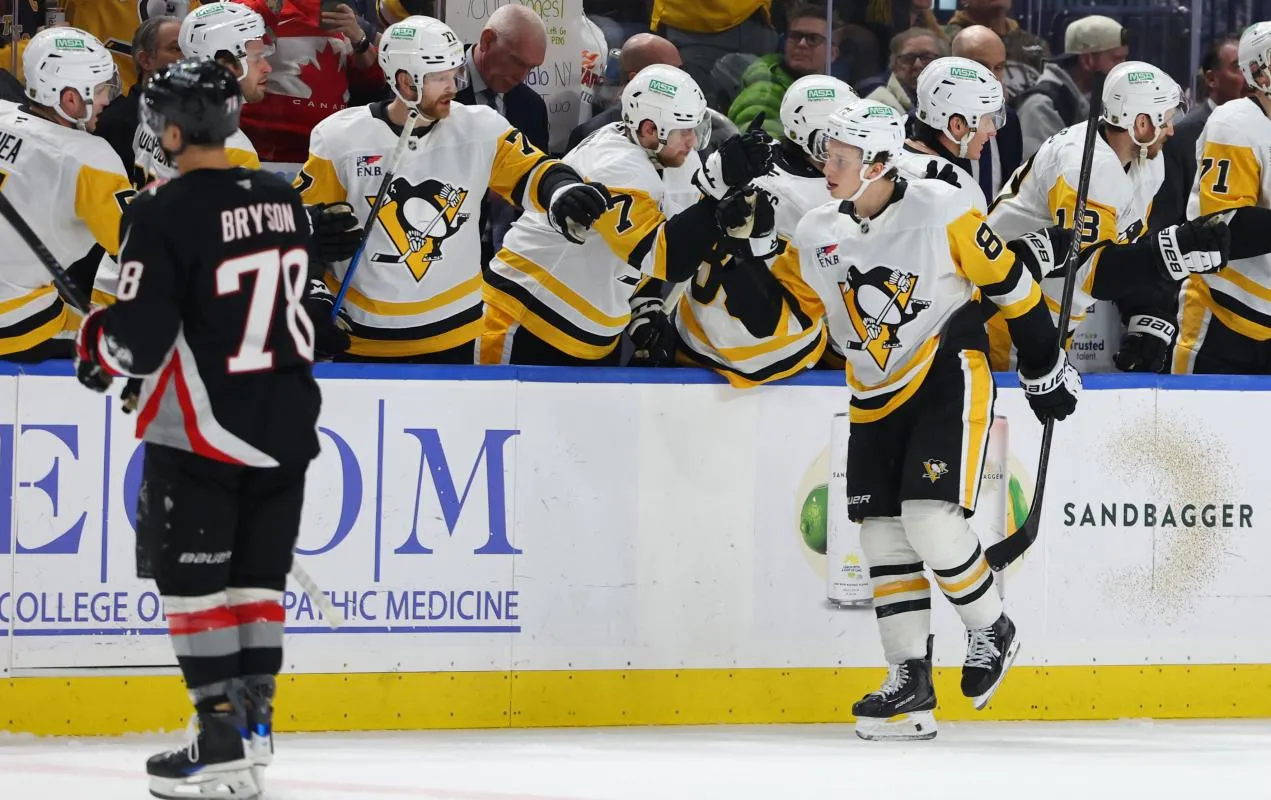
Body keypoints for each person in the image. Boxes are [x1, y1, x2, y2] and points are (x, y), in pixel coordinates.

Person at [70, 57, 342, 800]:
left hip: (206, 428)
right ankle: (250, 734)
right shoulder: (283, 198)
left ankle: (216, 732)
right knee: (255, 583)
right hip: (287, 424)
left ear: (173, 128)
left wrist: (96, 341)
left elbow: (138, 345)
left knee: (193, 588)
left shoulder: (161, 210)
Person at [766, 100, 1077, 740]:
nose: (829, 167)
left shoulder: (943, 210)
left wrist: (1042, 364)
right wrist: (744, 246)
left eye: (842, 159)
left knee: (929, 519)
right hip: (871, 392)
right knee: (881, 534)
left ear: (879, 163)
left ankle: (992, 627)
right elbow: (790, 308)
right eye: (828, 153)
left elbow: (1013, 286)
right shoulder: (817, 229)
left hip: (945, 374)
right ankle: (910, 680)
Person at [294, 16, 609, 364]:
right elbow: (303, 230)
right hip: (361, 337)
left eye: (454, 73)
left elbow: (533, 170)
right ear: (404, 80)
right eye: (439, 77)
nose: (453, 86)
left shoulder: (481, 127)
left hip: (454, 333)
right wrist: (312, 294)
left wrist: (561, 190)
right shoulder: (338, 138)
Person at [481, 64, 774, 366]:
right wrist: (716, 196)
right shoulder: (614, 164)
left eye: (697, 129)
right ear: (649, 129)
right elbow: (667, 256)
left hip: (591, 335)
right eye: (685, 130)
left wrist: (642, 303)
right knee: (499, 415)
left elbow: (673, 234)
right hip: (527, 319)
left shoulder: (671, 157)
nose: (693, 143)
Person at [988, 61, 1208, 373]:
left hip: (1048, 313)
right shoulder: (1084, 165)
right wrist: (1176, 251)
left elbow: (1128, 242)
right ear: (1142, 123)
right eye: (1167, 120)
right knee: (1010, 417)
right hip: (1007, 314)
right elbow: (1092, 271)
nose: (1172, 130)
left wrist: (1148, 309)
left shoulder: (1147, 160)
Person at [671, 74, 856, 384]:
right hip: (774, 356)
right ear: (811, 136)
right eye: (836, 141)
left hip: (693, 335)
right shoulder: (831, 203)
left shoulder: (742, 155)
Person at [0, 27, 133, 362]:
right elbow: (141, 247)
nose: (107, 99)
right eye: (102, 89)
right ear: (69, 98)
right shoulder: (91, 159)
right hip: (13, 321)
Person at [1174, 22, 1271, 374]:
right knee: (1190, 427)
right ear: (1258, 68)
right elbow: (1225, 229)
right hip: (1225, 314)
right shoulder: (1235, 122)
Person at [131, 3, 268, 188]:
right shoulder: (231, 147)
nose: (267, 67)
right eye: (256, 57)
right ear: (224, 65)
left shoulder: (157, 114)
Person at [1150, 35, 1249, 231]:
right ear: (1212, 79)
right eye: (1238, 68)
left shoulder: (1261, 130)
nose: (1250, 77)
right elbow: (1165, 222)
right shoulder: (1179, 137)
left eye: (1251, 67)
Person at [896, 56, 1004, 213]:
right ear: (957, 125)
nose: (993, 131)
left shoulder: (886, 157)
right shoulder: (962, 189)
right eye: (987, 119)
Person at [1014, 15, 1127, 158]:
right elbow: (1039, 174)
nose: (1123, 67)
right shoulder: (1041, 107)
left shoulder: (1104, 101)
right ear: (1087, 60)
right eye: (1117, 59)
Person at [726, 3, 840, 139]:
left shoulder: (839, 94)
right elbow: (761, 147)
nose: (802, 44)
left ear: (832, 53)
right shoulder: (764, 91)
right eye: (795, 36)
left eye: (813, 39)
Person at [94, 15, 184, 172]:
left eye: (190, 48)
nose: (188, 57)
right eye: (176, 49)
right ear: (146, 60)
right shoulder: (115, 123)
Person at [566, 32, 683, 152]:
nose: (683, 80)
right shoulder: (590, 136)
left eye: (681, 70)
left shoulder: (689, 126)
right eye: (672, 72)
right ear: (636, 78)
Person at [951, 24, 1023, 199]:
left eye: (998, 68)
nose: (991, 77)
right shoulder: (931, 122)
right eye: (981, 67)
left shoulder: (1009, 120)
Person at [864, 28, 948, 115]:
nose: (917, 65)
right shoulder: (878, 105)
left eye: (927, 57)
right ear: (894, 65)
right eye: (908, 58)